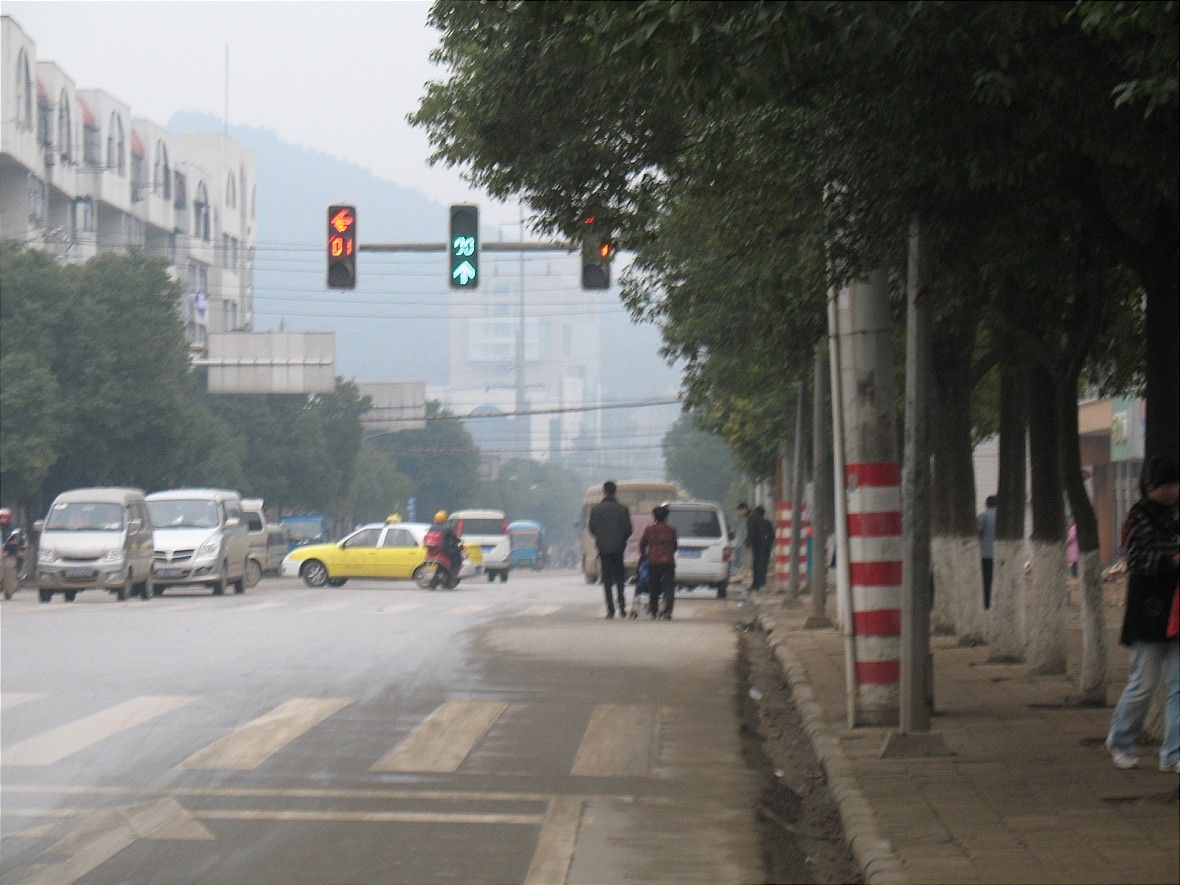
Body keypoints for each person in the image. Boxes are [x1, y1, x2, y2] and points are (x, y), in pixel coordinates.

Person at [1105, 456, 1179, 773]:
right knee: (1143, 684)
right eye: (1165, 486)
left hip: (1177, 607)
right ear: (1149, 487)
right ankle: (1121, 741)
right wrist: (1172, 559)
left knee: (1178, 686)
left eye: (1175, 485)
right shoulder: (1138, 517)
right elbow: (1136, 560)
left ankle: (1173, 754)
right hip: (1149, 609)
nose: (1172, 491)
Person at [588, 480, 632, 618]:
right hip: (619, 548)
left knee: (607, 579)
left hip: (603, 548)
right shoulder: (623, 509)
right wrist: (621, 540)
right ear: (615, 491)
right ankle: (622, 606)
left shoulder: (596, 509)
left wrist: (601, 538)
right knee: (620, 578)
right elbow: (628, 529)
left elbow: (592, 528)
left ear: (604, 491)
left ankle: (610, 610)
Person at [640, 505, 678, 619]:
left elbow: (642, 545)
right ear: (666, 517)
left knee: (654, 586)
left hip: (653, 561)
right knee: (669, 587)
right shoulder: (671, 530)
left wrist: (645, 556)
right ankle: (668, 612)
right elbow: (675, 546)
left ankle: (654, 611)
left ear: (654, 517)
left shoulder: (649, 529)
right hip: (668, 562)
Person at [748, 504, 774, 592]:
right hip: (766, 549)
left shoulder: (755, 522)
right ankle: (762, 583)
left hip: (757, 548)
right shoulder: (768, 523)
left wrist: (749, 543)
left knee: (756, 566)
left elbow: (752, 534)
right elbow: (772, 536)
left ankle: (756, 585)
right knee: (763, 566)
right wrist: (769, 545)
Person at [977, 495, 997, 609]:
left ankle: (987, 602)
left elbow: (978, 533)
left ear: (986, 504)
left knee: (986, 579)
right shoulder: (1002, 518)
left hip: (985, 554)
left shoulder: (983, 516)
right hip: (999, 553)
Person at [733, 503, 749, 585]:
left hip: (746, 542)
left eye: (740, 510)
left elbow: (744, 531)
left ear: (744, 509)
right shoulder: (740, 519)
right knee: (738, 556)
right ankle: (739, 571)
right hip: (741, 542)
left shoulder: (749, 518)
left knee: (744, 558)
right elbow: (738, 530)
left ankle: (743, 573)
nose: (739, 512)